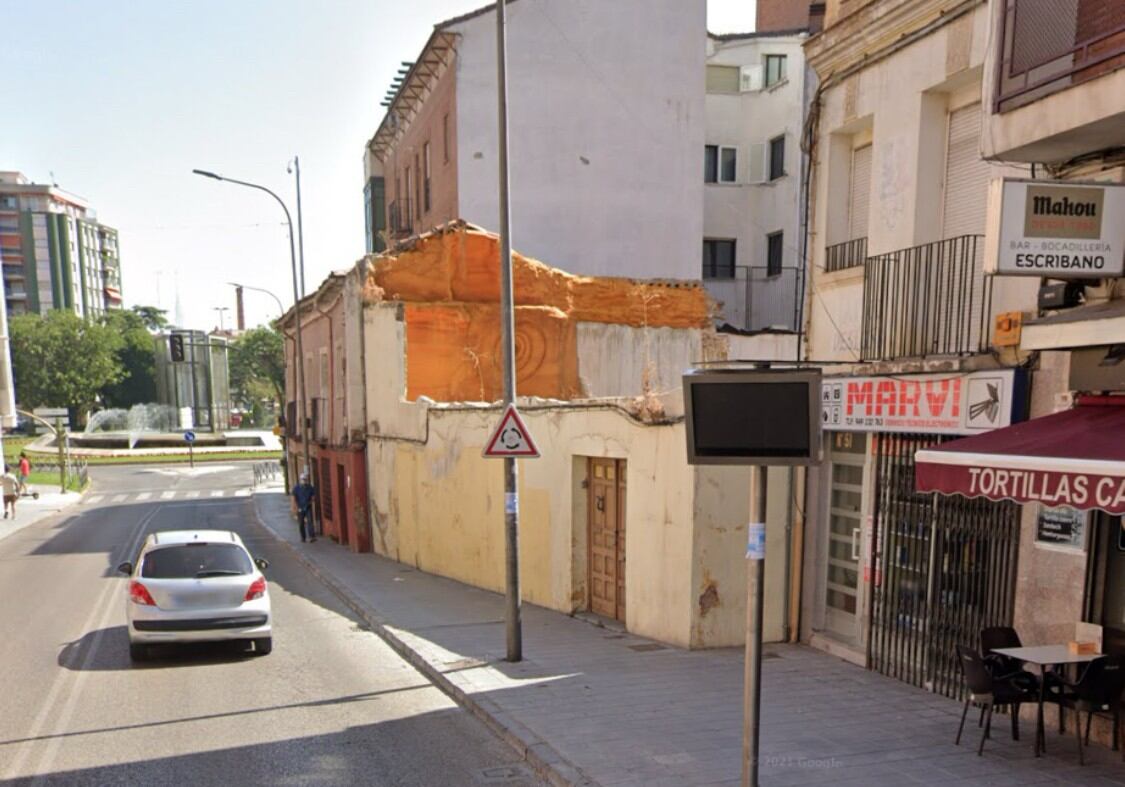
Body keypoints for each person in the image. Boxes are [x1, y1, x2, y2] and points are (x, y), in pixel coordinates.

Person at [291, 473, 317, 543]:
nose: (304, 481)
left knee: (310, 522)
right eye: (303, 479)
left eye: (305, 479)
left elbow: (313, 496)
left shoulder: (310, 487)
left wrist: (311, 500)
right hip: (300, 507)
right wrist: (294, 508)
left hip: (308, 507)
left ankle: (312, 536)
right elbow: (293, 498)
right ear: (300, 480)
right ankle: (303, 537)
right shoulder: (296, 488)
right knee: (301, 523)